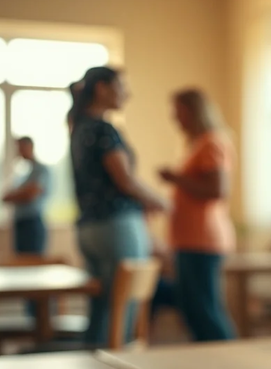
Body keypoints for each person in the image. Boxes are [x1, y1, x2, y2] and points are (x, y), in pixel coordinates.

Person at [71, 66, 168, 346]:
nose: (127, 94)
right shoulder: (102, 129)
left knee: (103, 309)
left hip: (89, 229)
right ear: (102, 88)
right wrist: (158, 200)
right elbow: (124, 179)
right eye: (122, 86)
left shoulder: (79, 128)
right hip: (115, 226)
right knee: (123, 312)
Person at [158, 88, 236, 341]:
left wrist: (176, 178)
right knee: (193, 309)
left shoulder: (211, 142)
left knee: (204, 310)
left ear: (193, 111)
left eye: (178, 111)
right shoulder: (196, 145)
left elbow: (217, 189)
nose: (174, 118)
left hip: (202, 239)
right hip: (189, 240)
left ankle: (228, 359)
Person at [3, 137, 50, 257]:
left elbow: (31, 194)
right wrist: (21, 193)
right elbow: (5, 197)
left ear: (29, 147)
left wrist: (18, 194)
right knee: (20, 262)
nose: (18, 151)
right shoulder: (22, 174)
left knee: (33, 262)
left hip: (32, 224)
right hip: (20, 223)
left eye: (20, 147)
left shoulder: (40, 170)